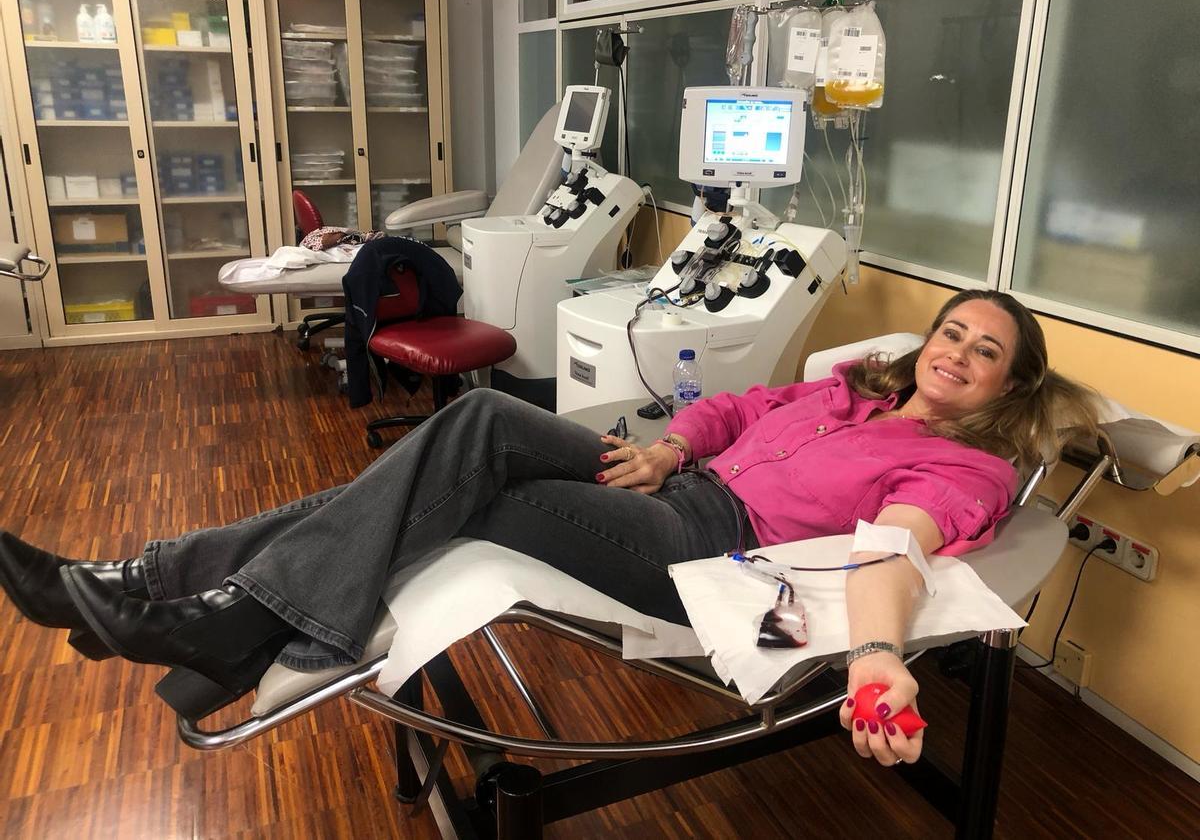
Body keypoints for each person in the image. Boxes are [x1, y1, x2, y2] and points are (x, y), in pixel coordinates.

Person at [0, 289, 1097, 768]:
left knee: (477, 493)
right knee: (476, 421)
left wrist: (875, 657)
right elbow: (736, 408)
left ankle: (175, 595)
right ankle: (208, 612)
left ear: (1011, 382)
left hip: (710, 553)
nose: (954, 351)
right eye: (951, 330)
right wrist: (673, 444)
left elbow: (893, 550)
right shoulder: (849, 390)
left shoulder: (965, 469)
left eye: (984, 349)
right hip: (669, 484)